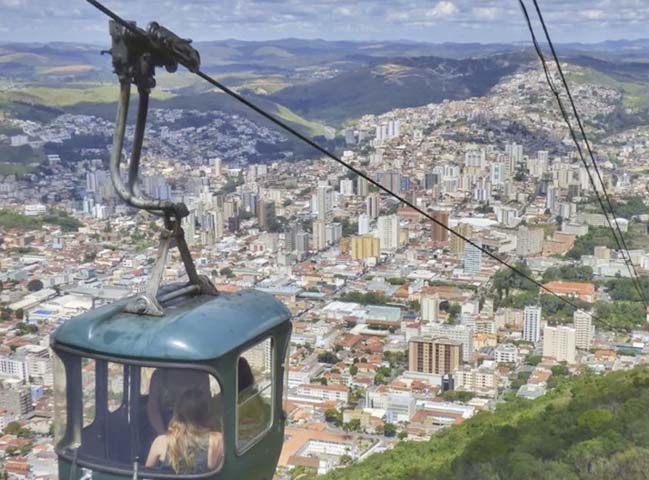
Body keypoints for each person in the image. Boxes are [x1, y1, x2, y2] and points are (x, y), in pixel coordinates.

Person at [146, 387, 223, 474]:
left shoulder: (160, 442)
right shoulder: (217, 440)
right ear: (206, 413)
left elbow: (145, 475)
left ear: (177, 412)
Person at [147, 368, 211, 436]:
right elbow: (153, 409)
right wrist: (163, 435)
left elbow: (207, 407)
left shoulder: (201, 375)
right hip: (164, 429)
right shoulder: (159, 376)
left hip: (195, 430)